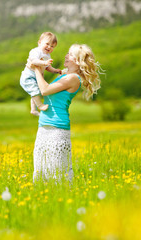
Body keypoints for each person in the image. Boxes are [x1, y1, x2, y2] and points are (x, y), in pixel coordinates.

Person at [32, 43, 101, 182]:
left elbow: (44, 90)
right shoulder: (64, 75)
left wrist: (36, 69)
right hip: (44, 126)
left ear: (78, 60)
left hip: (57, 129)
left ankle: (63, 198)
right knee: (41, 171)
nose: (66, 55)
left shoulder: (73, 78)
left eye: (70, 54)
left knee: (56, 173)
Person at [20, 32, 62, 116]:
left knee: (35, 92)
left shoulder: (47, 55)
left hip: (36, 78)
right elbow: (34, 61)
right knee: (35, 91)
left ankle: (33, 110)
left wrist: (54, 70)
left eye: (52, 46)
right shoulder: (36, 51)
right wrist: (44, 63)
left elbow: (48, 67)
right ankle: (40, 105)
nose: (49, 47)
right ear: (39, 42)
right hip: (28, 77)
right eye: (47, 44)